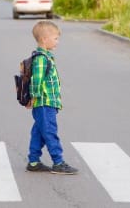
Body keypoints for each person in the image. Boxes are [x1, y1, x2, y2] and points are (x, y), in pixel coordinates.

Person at [26, 20, 78, 175]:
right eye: (55, 38)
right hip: (43, 103)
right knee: (49, 132)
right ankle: (58, 162)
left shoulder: (46, 57)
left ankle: (34, 161)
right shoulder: (41, 58)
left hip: (48, 103)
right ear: (44, 39)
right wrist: (33, 98)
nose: (58, 41)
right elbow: (37, 80)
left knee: (39, 132)